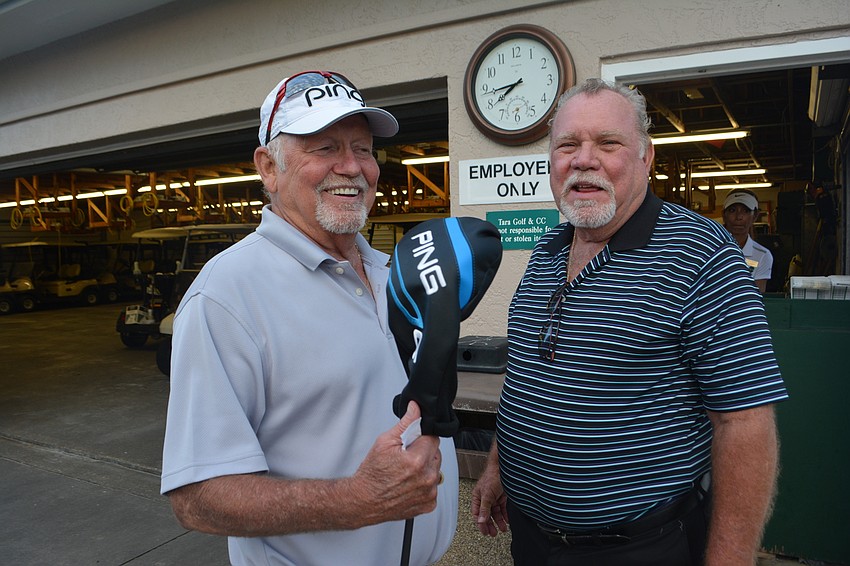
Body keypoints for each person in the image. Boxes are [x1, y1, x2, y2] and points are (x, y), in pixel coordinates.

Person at [472, 79, 788, 566]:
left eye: (608, 143)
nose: (583, 159)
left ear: (646, 157)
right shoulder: (546, 252)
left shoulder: (702, 255)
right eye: (568, 145)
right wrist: (498, 465)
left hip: (639, 547)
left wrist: (730, 558)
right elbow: (527, 378)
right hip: (533, 539)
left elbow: (744, 422)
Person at [160, 70, 458, 565]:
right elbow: (197, 497)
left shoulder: (397, 272)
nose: (351, 167)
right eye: (323, 149)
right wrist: (356, 501)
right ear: (268, 168)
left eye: (363, 149)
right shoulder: (227, 296)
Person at [722, 189, 773, 292]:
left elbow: (757, 296)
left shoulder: (762, 255)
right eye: (732, 210)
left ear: (755, 216)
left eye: (746, 211)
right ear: (724, 215)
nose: (738, 217)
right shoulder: (708, 248)